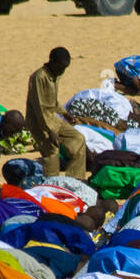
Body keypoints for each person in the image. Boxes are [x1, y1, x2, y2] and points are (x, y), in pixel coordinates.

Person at [26, 47, 88, 180]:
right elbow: (40, 107)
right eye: (60, 67)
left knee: (78, 139)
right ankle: (52, 185)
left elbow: (52, 102)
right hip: (39, 122)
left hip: (53, 119)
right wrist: (49, 131)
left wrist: (65, 114)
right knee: (52, 151)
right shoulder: (39, 77)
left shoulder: (56, 75)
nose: (62, 71)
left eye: (65, 68)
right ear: (52, 61)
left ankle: (75, 181)